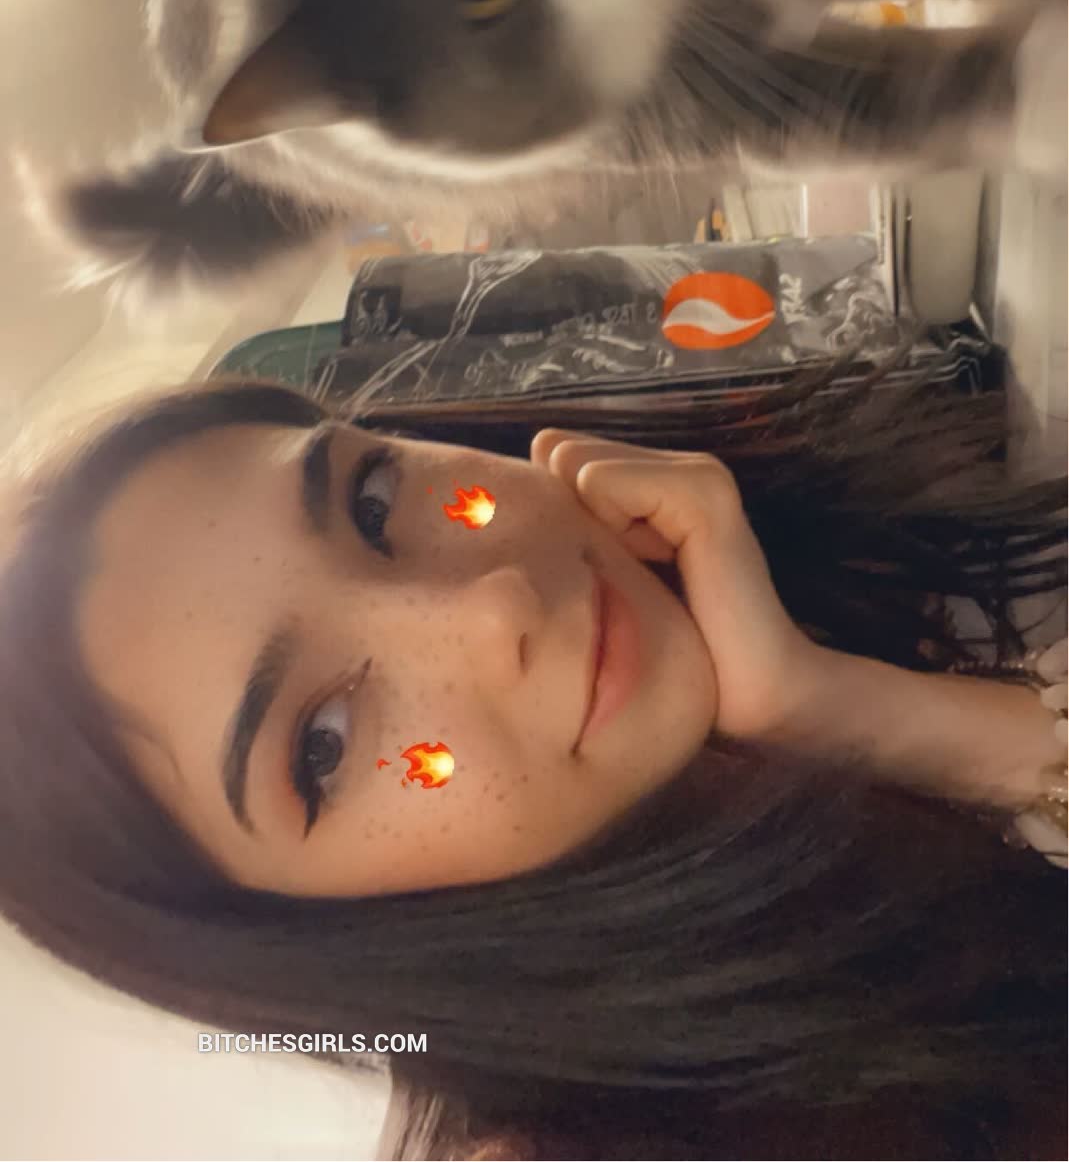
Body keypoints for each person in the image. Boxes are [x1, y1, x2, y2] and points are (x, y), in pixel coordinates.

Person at [0, 365, 1064, 1161]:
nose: (492, 607)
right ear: (286, 937)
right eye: (323, 743)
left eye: (373, 501)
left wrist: (873, 718)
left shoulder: (805, 629)